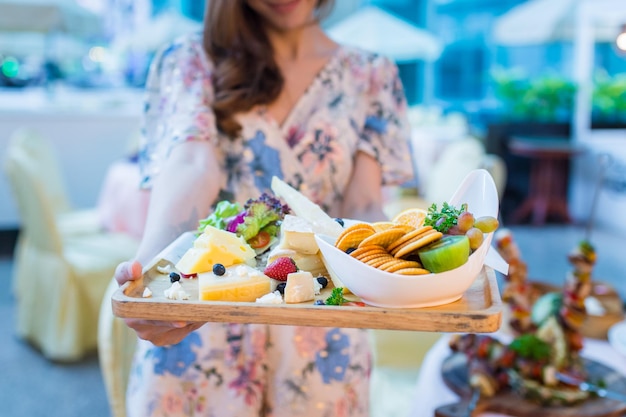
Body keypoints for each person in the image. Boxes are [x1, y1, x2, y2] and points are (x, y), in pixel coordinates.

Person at [115, 0, 414, 415]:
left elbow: (361, 203)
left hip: (322, 328)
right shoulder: (191, 60)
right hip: (203, 320)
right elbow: (191, 163)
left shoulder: (372, 75)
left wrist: (406, 264)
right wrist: (157, 272)